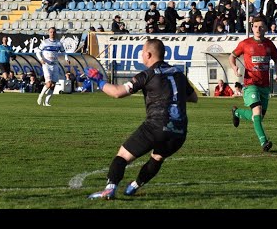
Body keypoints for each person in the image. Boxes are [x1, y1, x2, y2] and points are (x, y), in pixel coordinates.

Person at [86, 38, 198, 200]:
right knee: (157, 158)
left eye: (142, 52)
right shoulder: (178, 73)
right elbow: (193, 98)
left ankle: (110, 189)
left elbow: (117, 92)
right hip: (179, 130)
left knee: (123, 156)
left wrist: (99, 81)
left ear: (149, 54)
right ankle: (134, 186)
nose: (141, 55)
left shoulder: (148, 74)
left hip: (157, 125)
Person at [229, 16, 277, 152]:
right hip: (250, 83)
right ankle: (264, 142)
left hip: (264, 86)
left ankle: (237, 113)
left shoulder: (269, 45)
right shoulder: (245, 43)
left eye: (261, 26)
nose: (258, 29)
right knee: (257, 110)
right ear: (252, 27)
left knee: (257, 117)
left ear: (265, 28)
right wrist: (234, 68)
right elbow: (232, 56)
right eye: (255, 26)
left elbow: (276, 60)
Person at [35, 27, 70, 106]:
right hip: (46, 65)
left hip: (55, 65)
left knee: (53, 85)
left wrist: (66, 58)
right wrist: (41, 59)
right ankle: (40, 96)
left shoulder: (58, 43)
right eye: (51, 32)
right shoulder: (45, 42)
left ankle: (46, 102)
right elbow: (38, 52)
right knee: (49, 84)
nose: (52, 33)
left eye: (54, 32)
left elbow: (63, 51)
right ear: (48, 33)